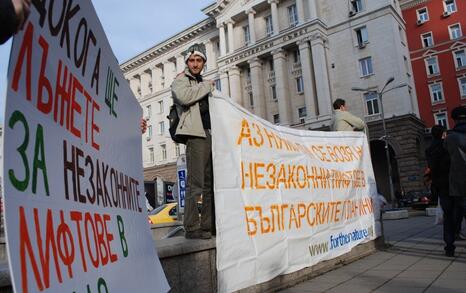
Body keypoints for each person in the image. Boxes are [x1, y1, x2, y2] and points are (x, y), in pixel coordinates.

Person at [171, 43, 215, 239]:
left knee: (209, 183)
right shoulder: (181, 81)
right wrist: (206, 86)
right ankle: (192, 226)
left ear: (204, 62)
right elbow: (185, 97)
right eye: (192, 60)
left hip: (210, 134)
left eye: (199, 60)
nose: (195, 64)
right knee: (195, 183)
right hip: (195, 135)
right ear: (187, 62)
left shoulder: (202, 82)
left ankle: (208, 225)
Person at [425, 125, 453, 254]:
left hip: (440, 185)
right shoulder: (448, 145)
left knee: (447, 215)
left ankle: (449, 246)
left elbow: (431, 167)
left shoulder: (429, 149)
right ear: (443, 134)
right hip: (454, 182)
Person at [443, 106, 466, 256]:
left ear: (454, 119)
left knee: (452, 217)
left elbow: (447, 154)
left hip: (458, 185)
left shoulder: (450, 138)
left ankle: (450, 247)